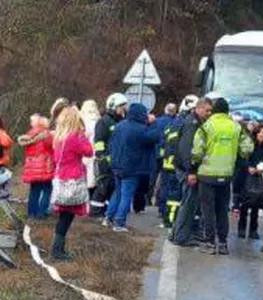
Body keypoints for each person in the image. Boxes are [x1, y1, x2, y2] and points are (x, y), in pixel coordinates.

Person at [191, 97, 252, 254]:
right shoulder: (236, 127)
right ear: (227, 111)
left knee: (208, 210)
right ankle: (223, 243)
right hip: (226, 175)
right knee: (222, 209)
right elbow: (247, 148)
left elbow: (197, 151)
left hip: (207, 174)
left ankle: (210, 243)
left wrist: (194, 164)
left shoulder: (206, 126)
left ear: (214, 110)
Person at [105, 103, 162, 232]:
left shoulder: (119, 126)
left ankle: (108, 217)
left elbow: (111, 144)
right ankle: (119, 223)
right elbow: (156, 137)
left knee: (118, 192)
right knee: (126, 196)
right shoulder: (141, 129)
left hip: (116, 165)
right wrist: (153, 123)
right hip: (131, 167)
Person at [49, 106, 94, 259]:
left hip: (60, 177)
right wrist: (84, 135)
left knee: (64, 214)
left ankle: (58, 248)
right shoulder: (75, 137)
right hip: (72, 179)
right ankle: (57, 250)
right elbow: (89, 151)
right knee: (67, 216)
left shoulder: (59, 137)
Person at [170, 96, 211, 246]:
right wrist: (191, 171)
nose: (209, 113)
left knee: (188, 203)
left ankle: (177, 233)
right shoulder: (192, 124)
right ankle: (181, 237)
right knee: (188, 204)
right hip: (187, 170)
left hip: (185, 168)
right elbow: (187, 149)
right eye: (207, 110)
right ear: (199, 108)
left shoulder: (194, 121)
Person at [90, 93, 128, 216]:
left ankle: (106, 211)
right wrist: (102, 156)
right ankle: (95, 212)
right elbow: (99, 141)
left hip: (117, 161)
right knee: (103, 187)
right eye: (121, 106)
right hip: (105, 161)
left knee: (112, 188)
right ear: (113, 106)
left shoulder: (121, 122)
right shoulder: (104, 122)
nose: (124, 109)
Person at [236, 124, 263, 239]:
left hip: (261, 177)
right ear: (256, 133)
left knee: (256, 204)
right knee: (245, 203)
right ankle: (241, 228)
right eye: (261, 132)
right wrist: (248, 167)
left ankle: (253, 229)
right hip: (247, 177)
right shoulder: (249, 145)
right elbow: (240, 159)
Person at [18, 114, 54, 219]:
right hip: (44, 166)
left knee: (34, 190)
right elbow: (52, 148)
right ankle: (41, 212)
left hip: (32, 167)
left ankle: (31, 213)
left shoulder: (29, 135)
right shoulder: (47, 134)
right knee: (47, 189)